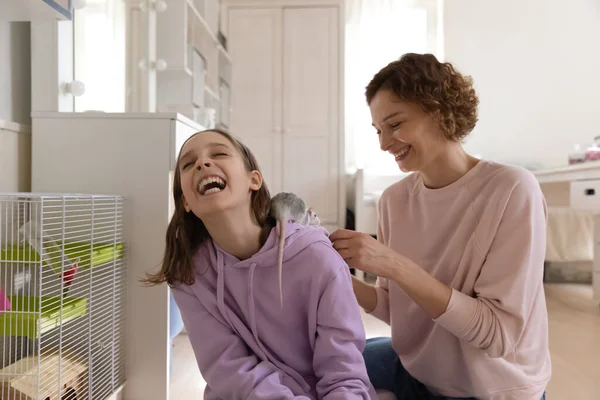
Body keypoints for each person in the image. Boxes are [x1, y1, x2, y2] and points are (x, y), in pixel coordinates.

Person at [329, 53, 551, 400]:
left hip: (493, 388)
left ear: (438, 109)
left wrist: (392, 264)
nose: (385, 143)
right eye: (378, 130)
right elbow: (396, 309)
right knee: (319, 364)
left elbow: (496, 334)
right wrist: (328, 269)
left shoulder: (511, 189)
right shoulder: (394, 200)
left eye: (395, 124)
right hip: (419, 372)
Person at [143, 129, 377, 399]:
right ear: (186, 201)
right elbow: (228, 369)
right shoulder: (189, 275)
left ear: (253, 180)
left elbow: (343, 371)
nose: (202, 163)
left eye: (218, 153)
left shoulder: (317, 257)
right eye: (188, 163)